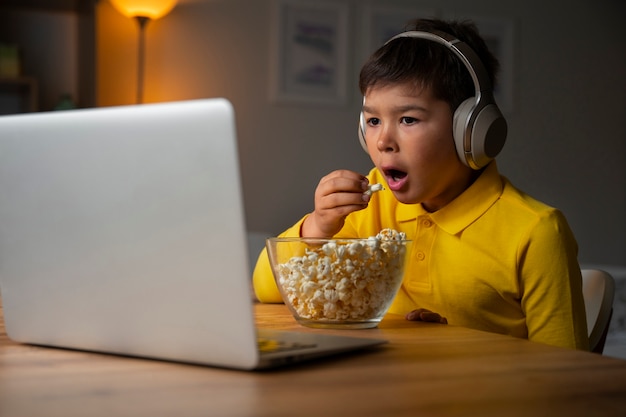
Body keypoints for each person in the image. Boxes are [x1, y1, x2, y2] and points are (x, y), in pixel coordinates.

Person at [253, 18, 589, 351]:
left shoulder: (537, 233)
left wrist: (457, 348)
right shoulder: (366, 204)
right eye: (372, 121)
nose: (383, 140)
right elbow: (266, 289)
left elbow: (568, 381)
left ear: (470, 130)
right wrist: (318, 225)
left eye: (408, 119)